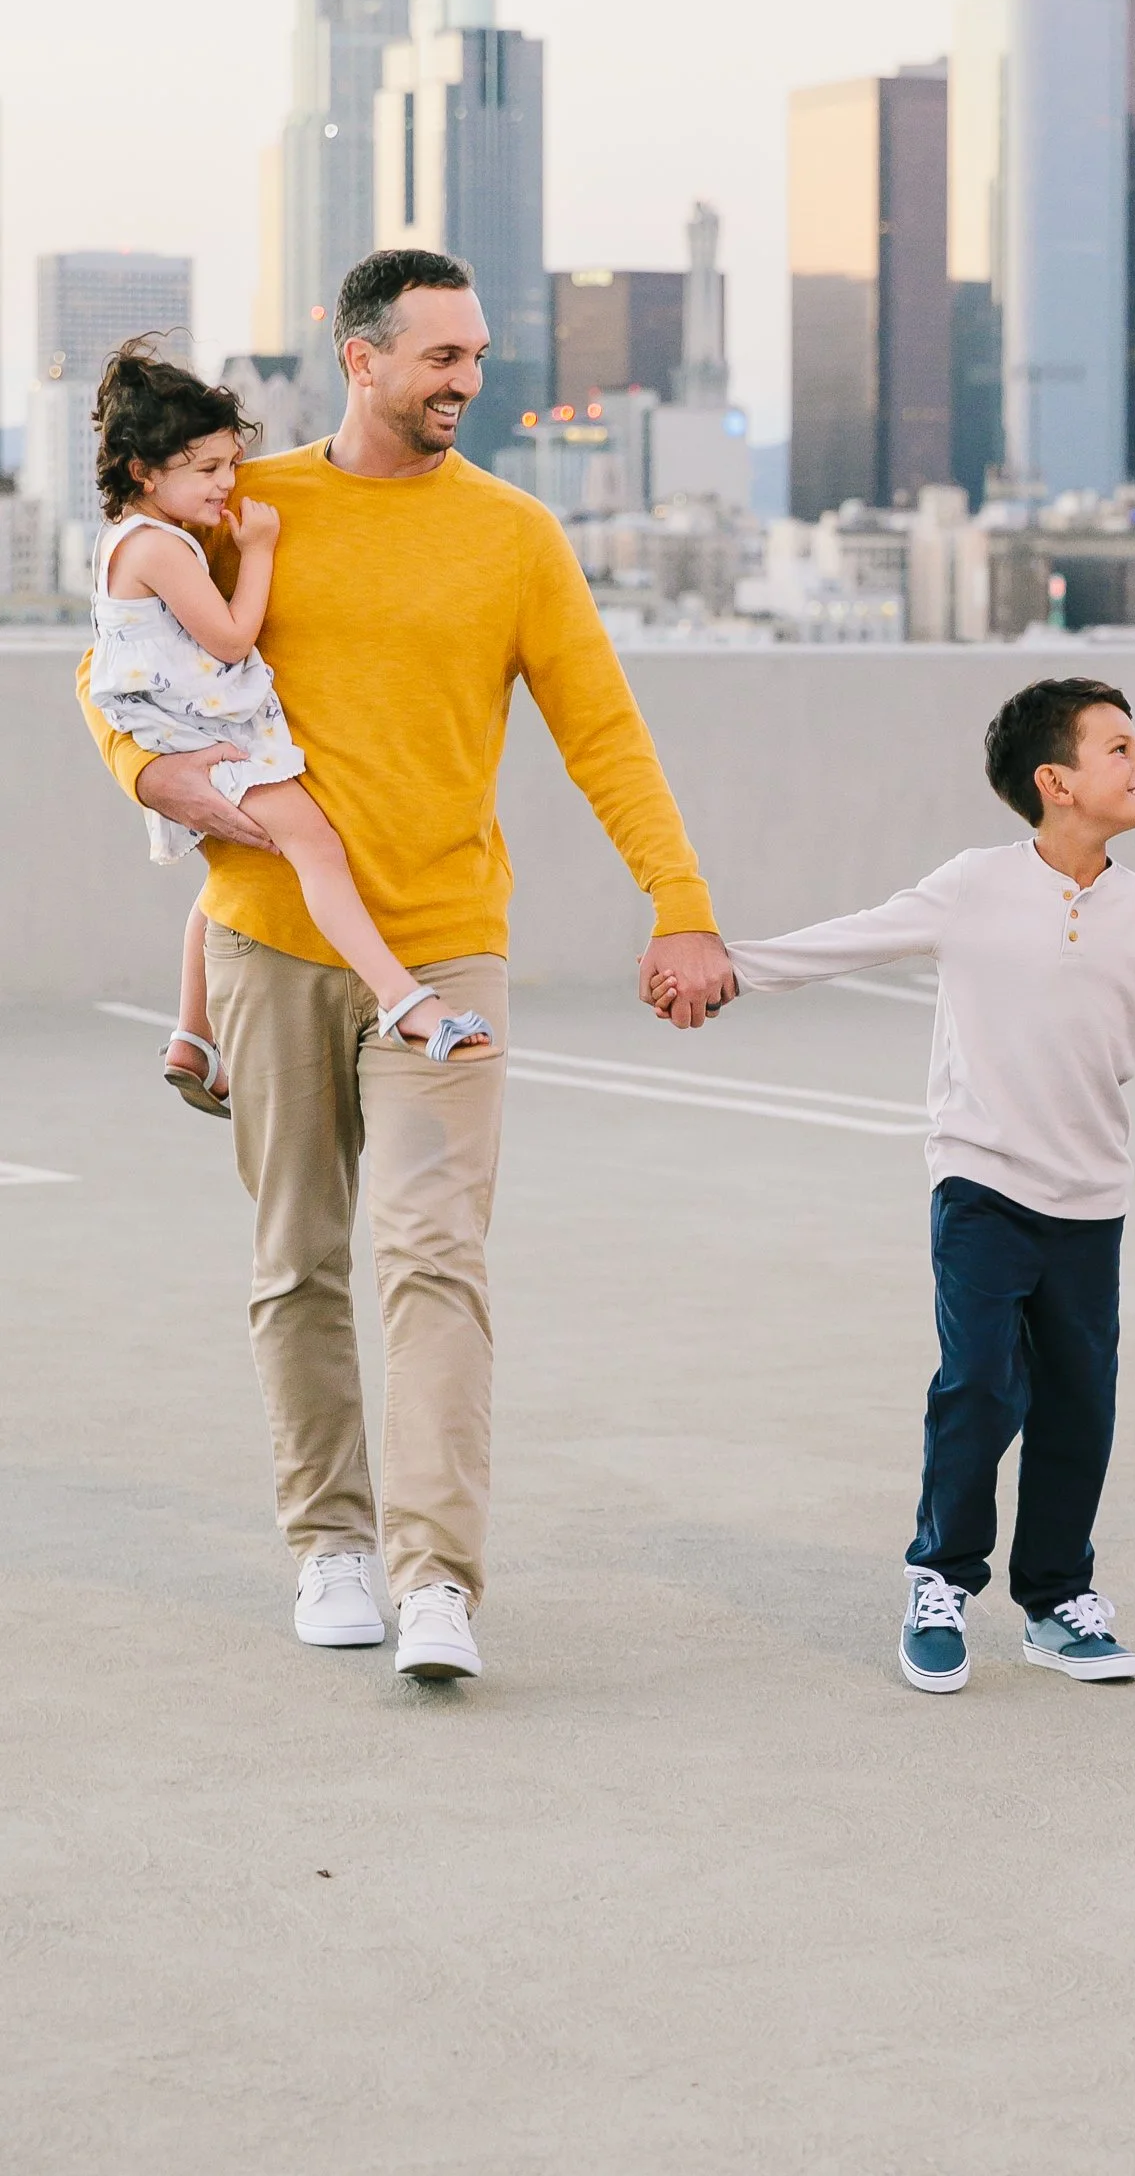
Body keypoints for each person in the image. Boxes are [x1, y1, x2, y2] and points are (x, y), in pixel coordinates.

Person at [80, 248, 735, 1682]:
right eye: (441, 356)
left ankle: (437, 1579)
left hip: (445, 943)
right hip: (266, 936)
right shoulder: (249, 507)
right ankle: (332, 1543)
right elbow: (114, 661)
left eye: (478, 356)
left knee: (435, 1260)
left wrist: (678, 900)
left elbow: (602, 733)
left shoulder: (512, 535)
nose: (467, 382)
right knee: (297, 1262)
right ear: (357, 355)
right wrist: (150, 777)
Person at [653, 677, 1135, 1694]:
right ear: (1054, 782)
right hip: (979, 1184)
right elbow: (848, 938)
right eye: (1119, 750)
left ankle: (1058, 1600)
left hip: (1089, 1203)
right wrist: (722, 968)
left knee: (1077, 1407)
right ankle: (938, 1579)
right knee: (977, 1384)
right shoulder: (973, 884)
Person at [87, 342, 497, 1112]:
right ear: (145, 471)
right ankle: (406, 1002)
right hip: (209, 740)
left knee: (228, 886)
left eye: (230, 465)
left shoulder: (124, 539)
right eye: (206, 469)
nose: (226, 484)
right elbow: (234, 636)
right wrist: (259, 548)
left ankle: (192, 1036)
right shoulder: (161, 549)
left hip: (179, 733)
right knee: (318, 851)